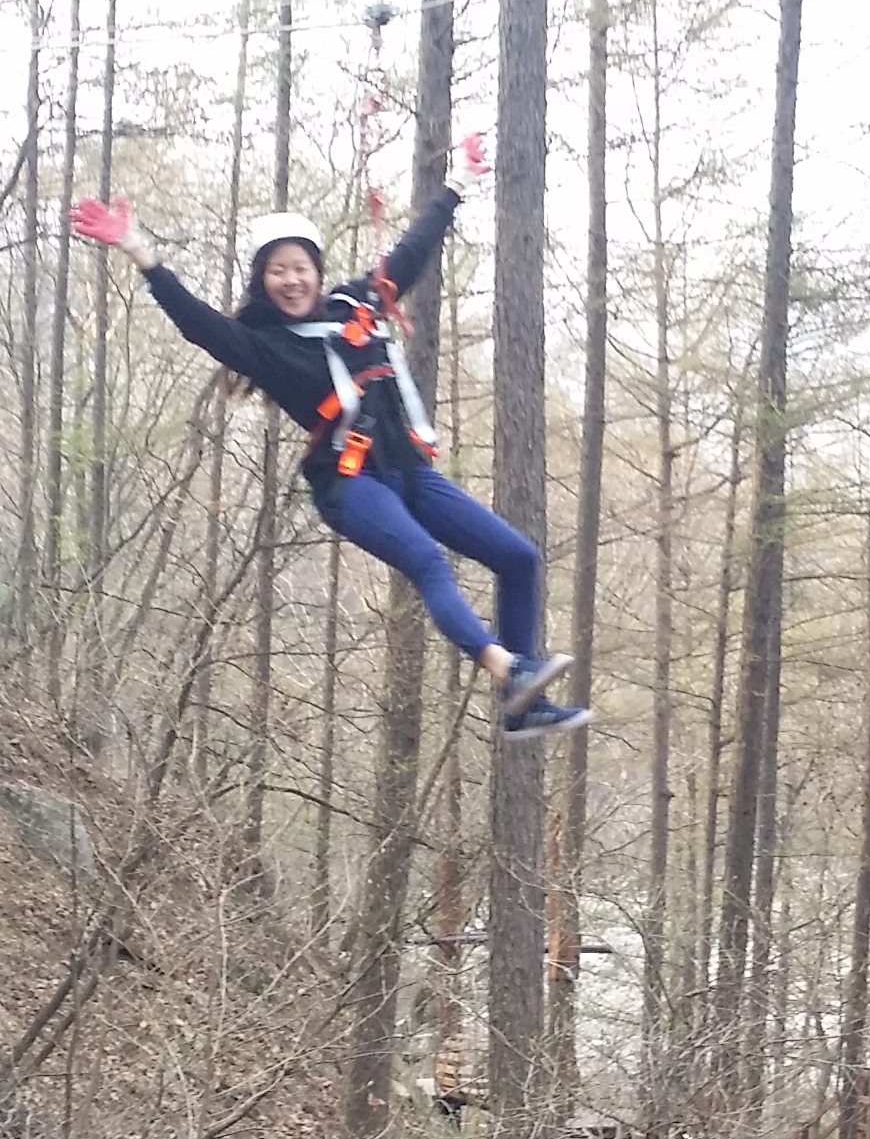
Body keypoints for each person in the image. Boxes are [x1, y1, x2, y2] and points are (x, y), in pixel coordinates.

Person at [76, 136, 585, 738]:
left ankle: (522, 705)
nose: (291, 281)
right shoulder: (265, 347)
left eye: (300, 268)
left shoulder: (356, 305)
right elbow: (197, 323)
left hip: (409, 472)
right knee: (427, 559)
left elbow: (412, 251)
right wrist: (138, 250)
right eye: (277, 271)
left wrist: (458, 185)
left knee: (519, 558)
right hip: (348, 483)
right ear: (262, 281)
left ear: (318, 272)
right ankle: (506, 667)